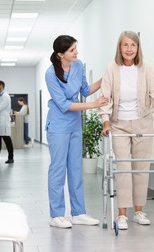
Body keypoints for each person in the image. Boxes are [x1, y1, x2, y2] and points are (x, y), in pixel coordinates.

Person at [99, 31, 154, 230]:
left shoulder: (147, 69)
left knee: (141, 167)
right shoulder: (111, 69)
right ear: (119, 48)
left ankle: (138, 211)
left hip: (143, 123)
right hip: (118, 124)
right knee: (123, 167)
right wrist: (105, 122)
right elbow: (105, 98)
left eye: (133, 45)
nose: (129, 49)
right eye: (125, 45)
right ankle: (122, 214)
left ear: (138, 48)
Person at [45, 35, 108, 228]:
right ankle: (56, 215)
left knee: (75, 169)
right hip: (58, 125)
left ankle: (78, 212)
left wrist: (107, 77)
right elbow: (63, 104)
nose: (76, 52)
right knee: (57, 170)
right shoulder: (50, 74)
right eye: (72, 50)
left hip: (74, 125)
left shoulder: (78, 65)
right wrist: (93, 105)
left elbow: (87, 89)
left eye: (76, 49)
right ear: (60, 54)